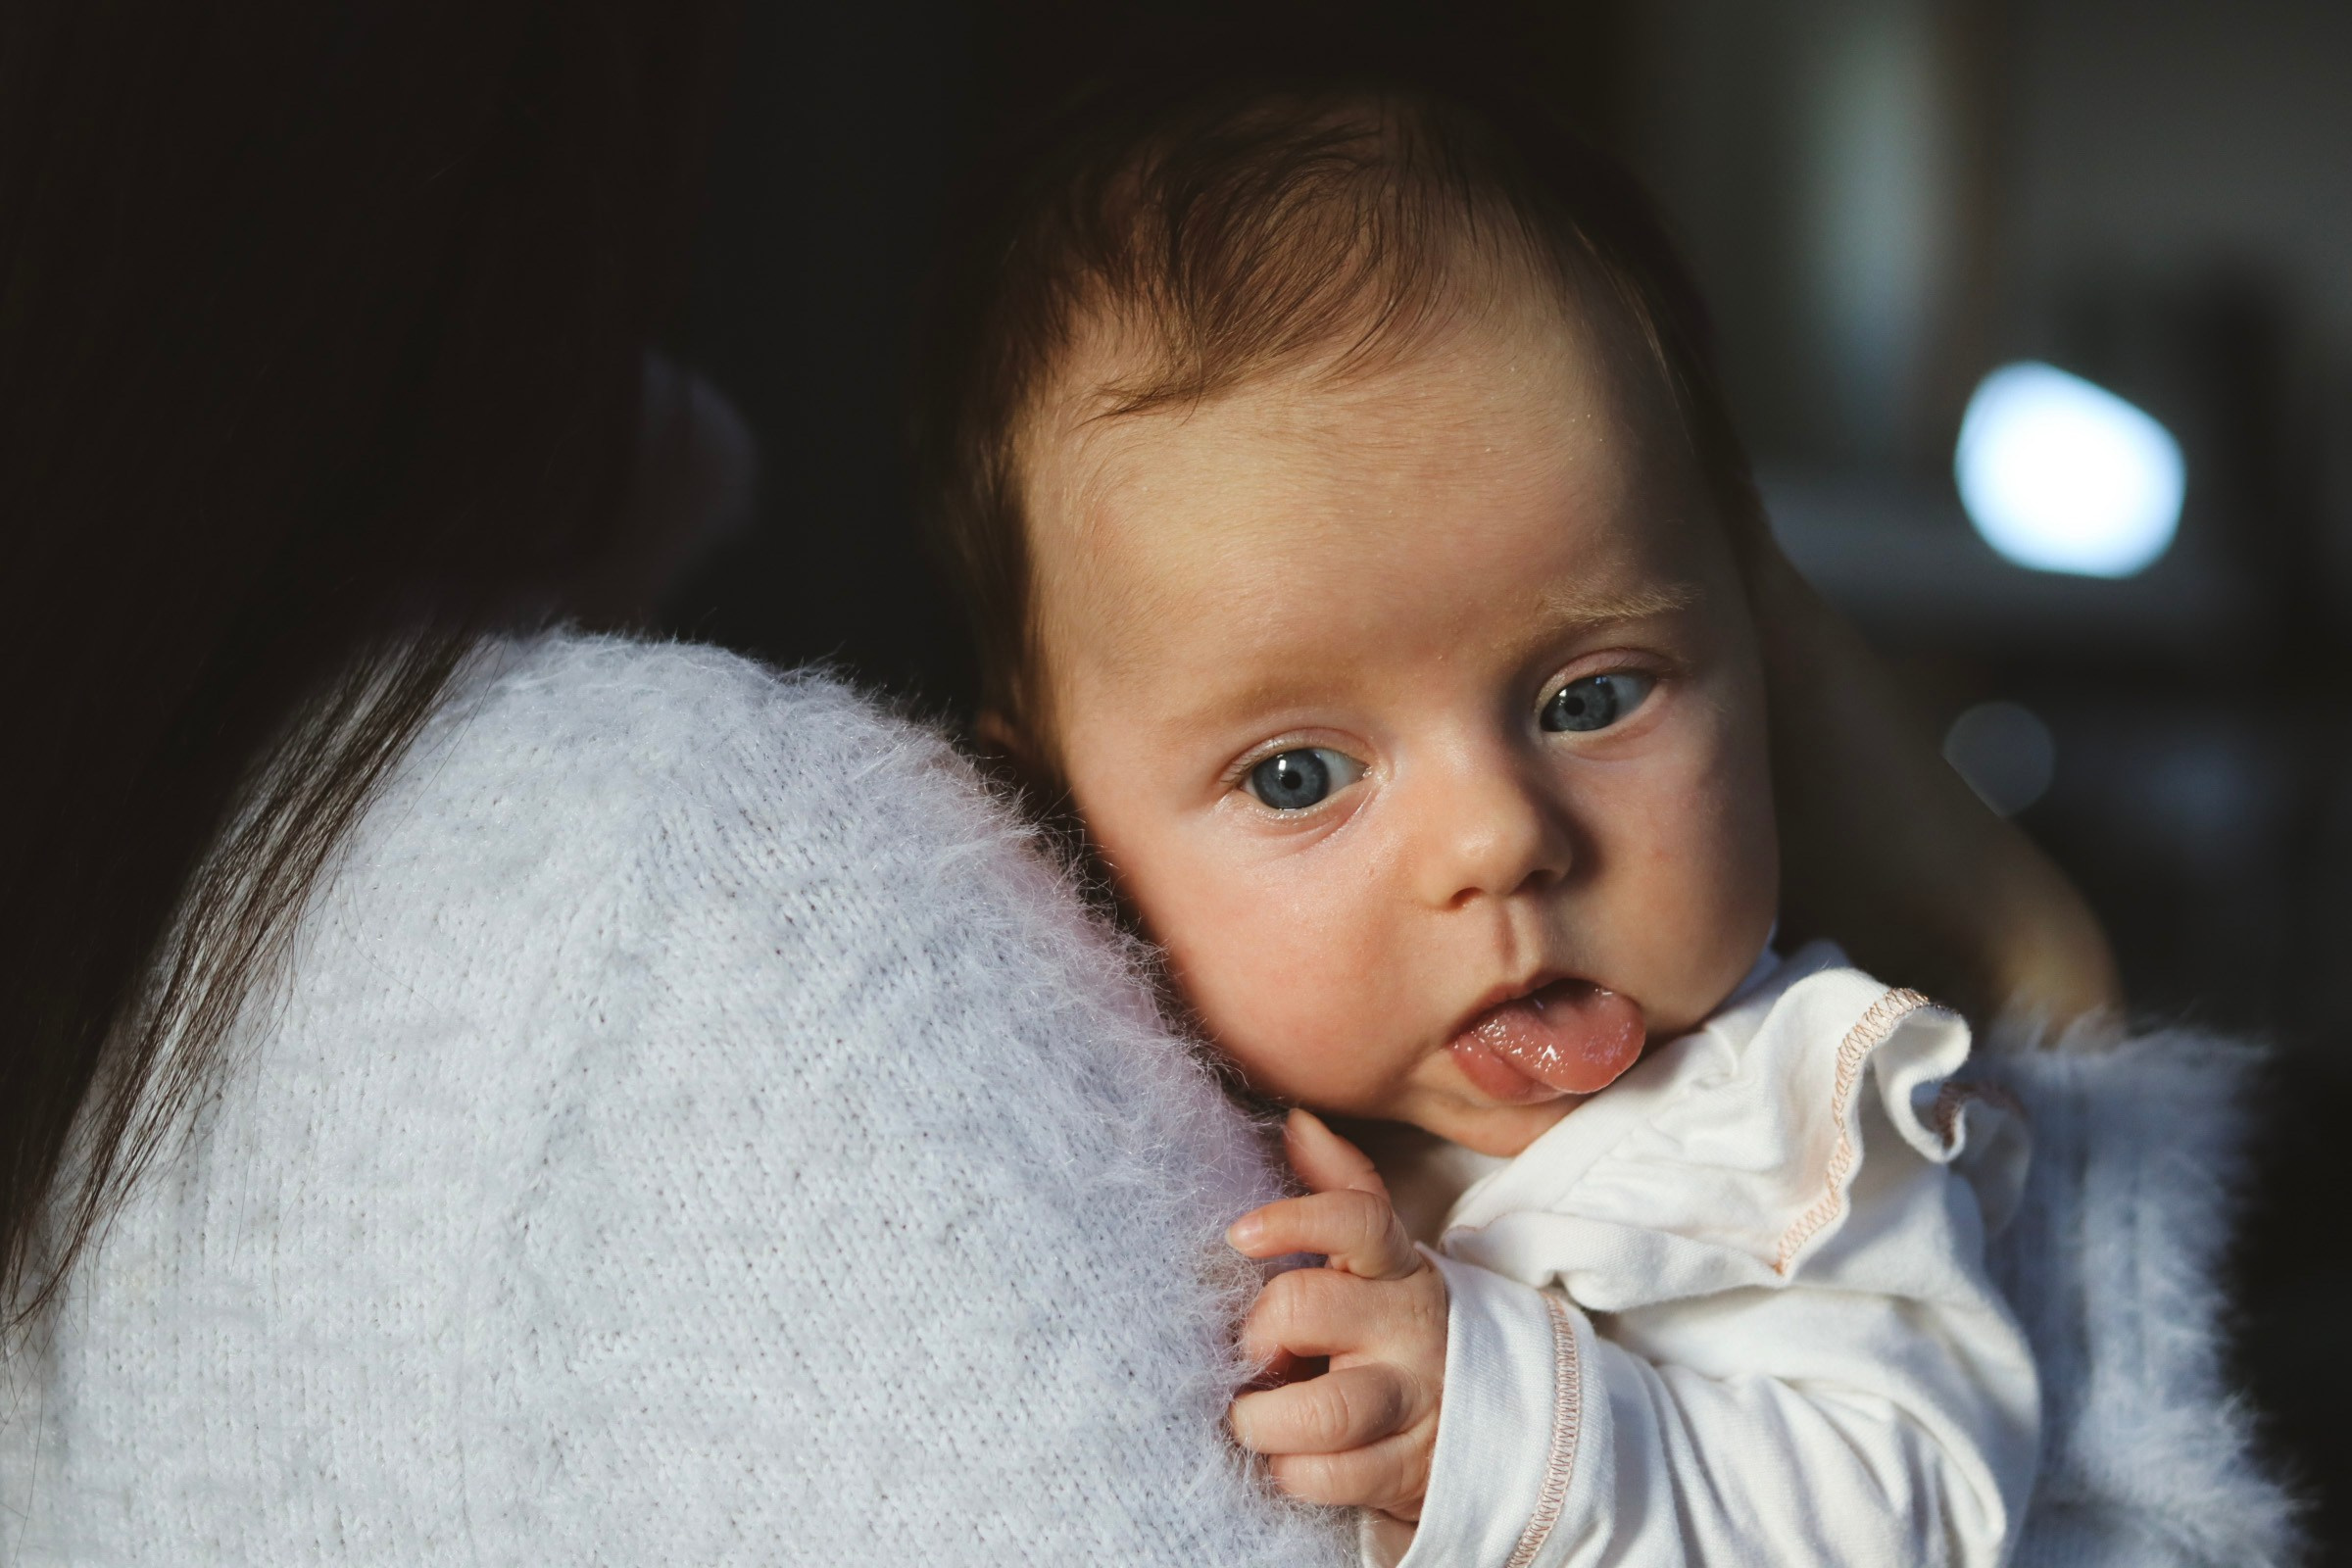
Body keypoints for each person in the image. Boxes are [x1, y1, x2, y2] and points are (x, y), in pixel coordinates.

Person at [911, 67, 2113, 1565]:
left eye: (1594, 697)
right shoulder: (1094, 1144)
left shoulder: (1786, 1122)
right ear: (1063, 833)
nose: (1501, 841)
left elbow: (1925, 1507)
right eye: (1300, 776)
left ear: (1761, 653)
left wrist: (1497, 1428)